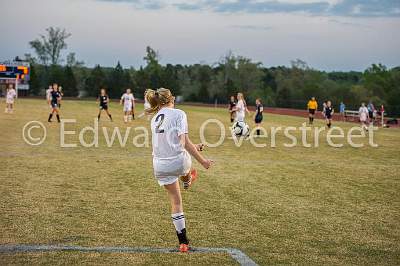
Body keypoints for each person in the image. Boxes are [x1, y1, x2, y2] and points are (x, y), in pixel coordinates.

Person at [145, 88, 213, 252]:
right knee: (184, 166)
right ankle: (188, 179)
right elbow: (185, 143)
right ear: (170, 100)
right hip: (179, 161)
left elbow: (172, 144)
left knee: (176, 201)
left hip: (159, 166)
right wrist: (203, 161)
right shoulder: (179, 114)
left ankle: (183, 243)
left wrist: (195, 147)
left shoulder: (154, 119)